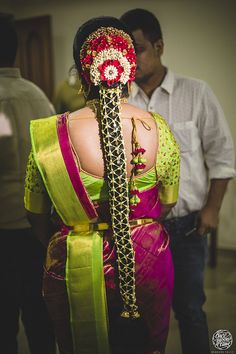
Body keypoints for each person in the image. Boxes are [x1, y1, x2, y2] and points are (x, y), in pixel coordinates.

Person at [24, 16, 180, 354]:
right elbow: (167, 202)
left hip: (74, 261)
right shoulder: (159, 128)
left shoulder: (49, 135)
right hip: (147, 258)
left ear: (82, 72)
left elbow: (35, 214)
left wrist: (73, 232)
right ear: (128, 68)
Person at [120, 8, 236, 354]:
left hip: (185, 229)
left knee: (189, 311)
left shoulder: (196, 93)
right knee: (140, 316)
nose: (131, 59)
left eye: (138, 49)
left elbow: (222, 156)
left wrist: (212, 209)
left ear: (159, 46)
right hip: (138, 231)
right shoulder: (120, 103)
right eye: (126, 52)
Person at [0, 13, 56, 354]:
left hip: (3, 231)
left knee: (4, 326)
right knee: (40, 323)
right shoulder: (40, 97)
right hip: (38, 229)